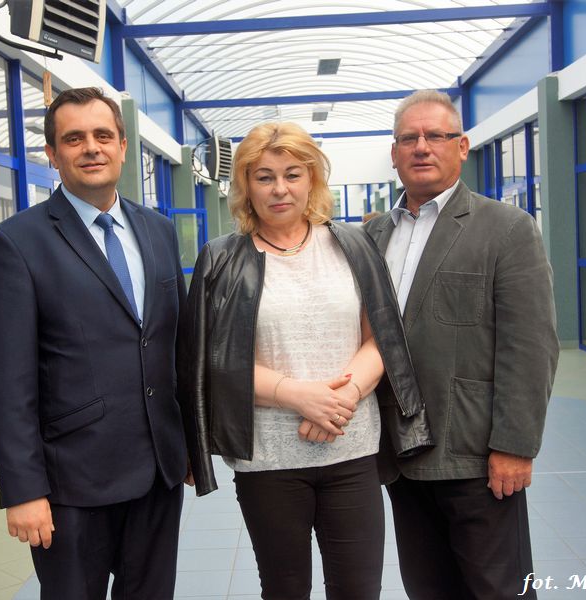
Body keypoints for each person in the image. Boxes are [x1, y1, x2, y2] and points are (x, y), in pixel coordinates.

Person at [179, 122, 431, 600]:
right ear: (246, 186)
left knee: (359, 589)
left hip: (352, 449)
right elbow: (212, 361)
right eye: (265, 177)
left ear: (312, 179)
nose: (280, 189)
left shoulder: (353, 245)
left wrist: (343, 397)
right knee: (285, 589)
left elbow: (382, 338)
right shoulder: (221, 259)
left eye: (292, 174)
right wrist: (298, 396)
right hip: (268, 460)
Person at [0, 87, 188, 600]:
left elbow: (176, 348)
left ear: (122, 147)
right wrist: (23, 490)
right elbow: (6, 383)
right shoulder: (17, 242)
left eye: (102, 135)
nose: (91, 147)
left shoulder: (159, 231)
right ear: (52, 154)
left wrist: (189, 450)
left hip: (157, 474)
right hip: (71, 484)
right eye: (74, 139)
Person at [363, 90, 560, 599]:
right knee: (427, 587)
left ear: (463, 146)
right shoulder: (373, 235)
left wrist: (514, 446)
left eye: (436, 135)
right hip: (400, 454)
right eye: (409, 138)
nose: (421, 147)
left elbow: (530, 346)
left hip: (475, 455)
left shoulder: (506, 229)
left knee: (497, 588)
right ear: (394, 153)